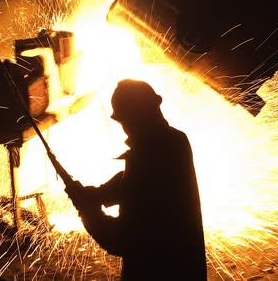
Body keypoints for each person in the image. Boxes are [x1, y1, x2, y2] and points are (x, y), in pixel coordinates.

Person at [66, 79, 207, 281]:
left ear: (132, 118)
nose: (124, 127)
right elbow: (132, 179)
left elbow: (122, 240)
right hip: (186, 268)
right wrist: (99, 193)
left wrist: (88, 211)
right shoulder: (176, 140)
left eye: (124, 120)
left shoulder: (146, 158)